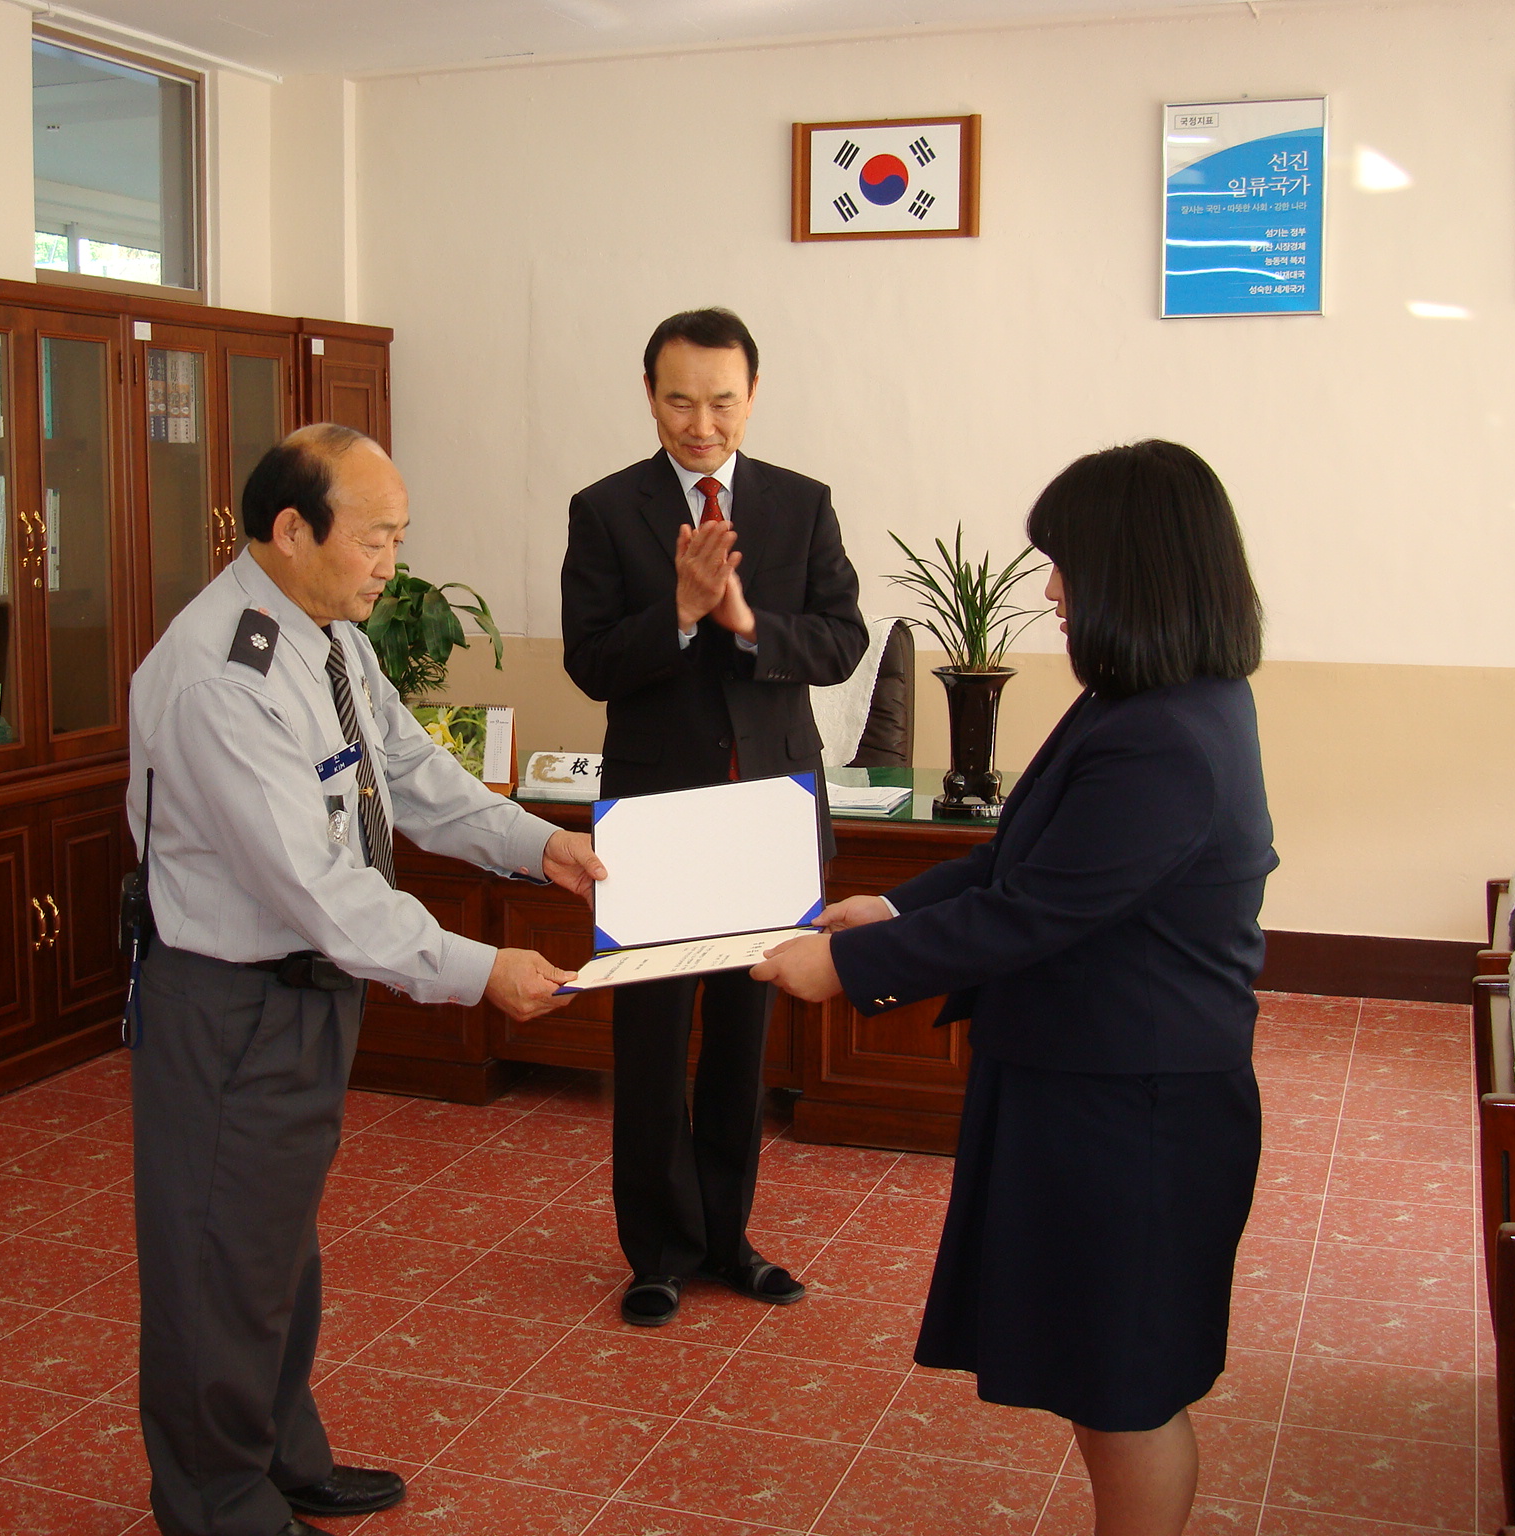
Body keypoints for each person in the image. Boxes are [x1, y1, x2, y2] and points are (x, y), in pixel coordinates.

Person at [754, 439, 1275, 1536]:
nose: (1049, 592)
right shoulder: (1146, 704)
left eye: (1064, 566)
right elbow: (1019, 860)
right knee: (1100, 1375)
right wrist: (892, 907)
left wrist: (845, 969)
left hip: (1136, 1117)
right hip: (1087, 1086)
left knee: (1125, 1391)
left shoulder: (1166, 739)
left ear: (1131, 571)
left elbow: (1033, 915)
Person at [126, 423, 605, 1536]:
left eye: (400, 536)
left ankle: (277, 1457)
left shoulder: (329, 635)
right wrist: (480, 969)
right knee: (218, 1257)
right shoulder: (222, 680)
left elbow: (409, 771)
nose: (391, 561)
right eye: (376, 537)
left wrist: (538, 844)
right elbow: (321, 891)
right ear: (291, 531)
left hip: (304, 996)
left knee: (273, 1247)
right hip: (232, 1003)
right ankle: (215, 1502)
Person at [560, 308, 868, 1326]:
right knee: (652, 1042)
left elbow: (841, 642)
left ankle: (728, 1239)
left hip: (768, 813)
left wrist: (744, 623)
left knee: (743, 1039)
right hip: (658, 819)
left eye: (721, 402)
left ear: (752, 395)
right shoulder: (605, 509)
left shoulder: (801, 504)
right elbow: (589, 660)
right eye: (680, 401)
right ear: (650, 395)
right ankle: (657, 1251)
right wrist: (681, 615)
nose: (701, 424)